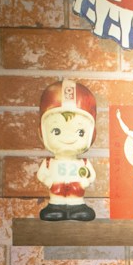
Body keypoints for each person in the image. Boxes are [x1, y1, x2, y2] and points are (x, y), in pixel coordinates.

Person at [37, 80, 97, 221]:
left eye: (80, 132)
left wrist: (84, 183)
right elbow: (41, 175)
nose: (68, 137)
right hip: (55, 198)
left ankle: (76, 209)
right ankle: (56, 208)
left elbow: (91, 175)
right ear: (42, 131)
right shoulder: (48, 163)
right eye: (56, 131)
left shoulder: (84, 162)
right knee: (52, 212)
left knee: (83, 213)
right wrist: (50, 182)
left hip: (77, 198)